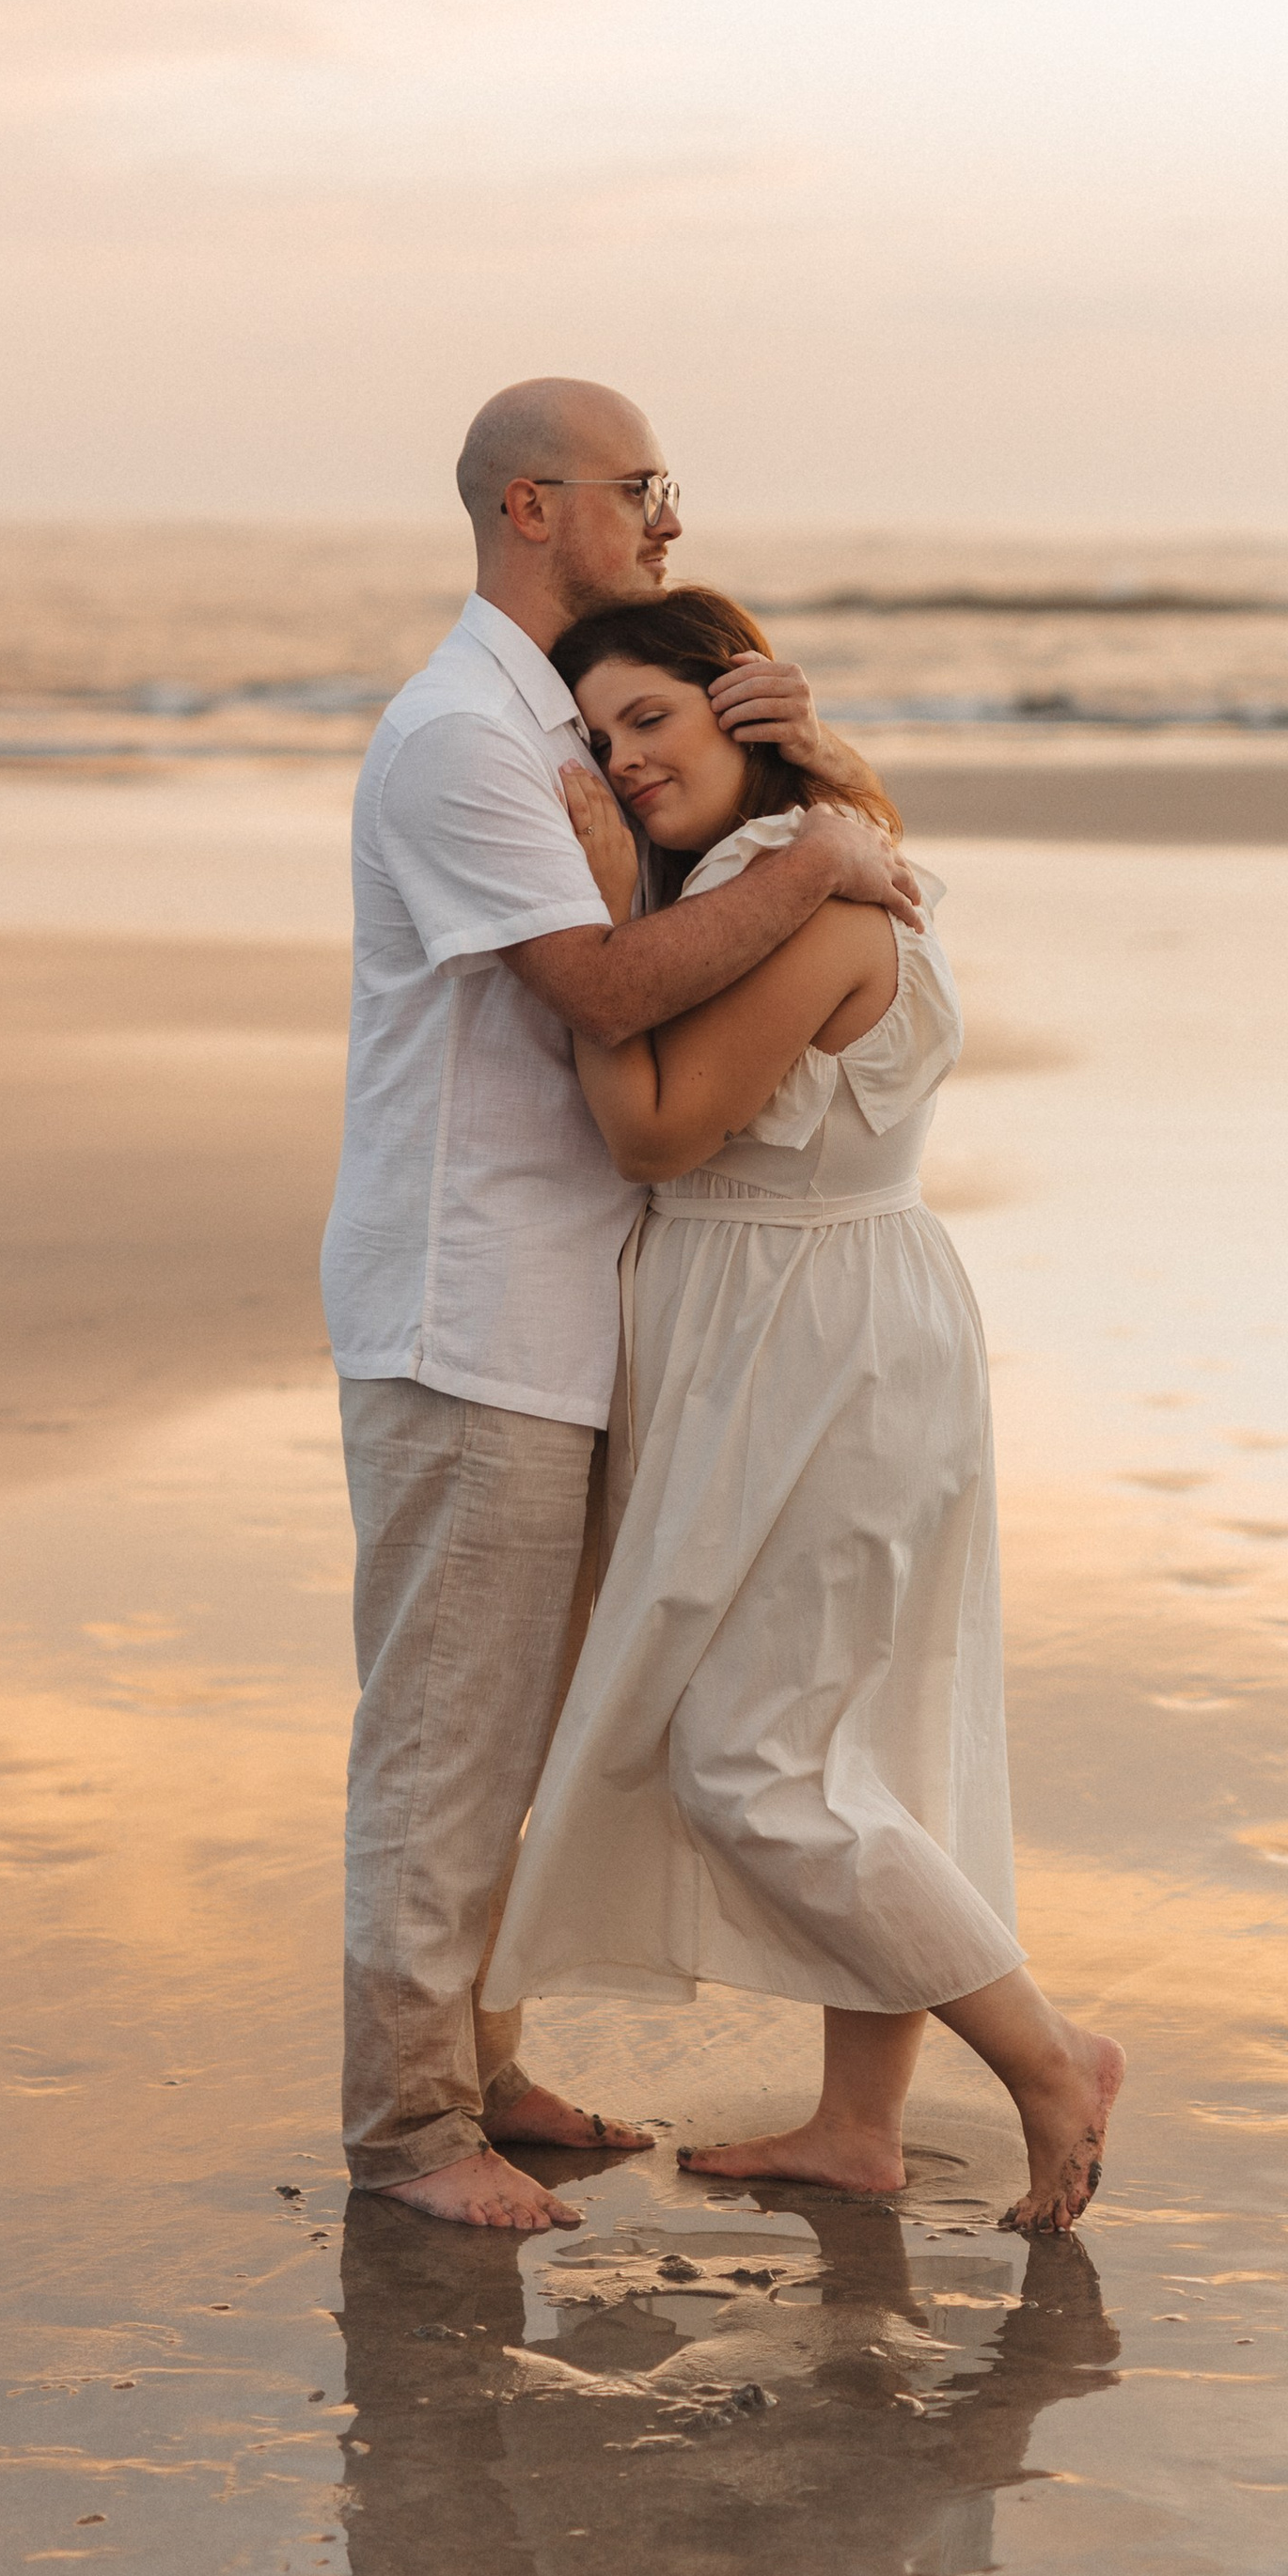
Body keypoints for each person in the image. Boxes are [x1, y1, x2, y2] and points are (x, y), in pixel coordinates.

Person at [322, 379, 923, 2235]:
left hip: (572, 1311)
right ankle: (409, 2128)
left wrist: (791, 755)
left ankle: (484, 2074)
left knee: (523, 1726)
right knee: (447, 1733)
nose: (668, 520)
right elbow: (600, 990)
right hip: (469, 1304)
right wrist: (820, 863)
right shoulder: (457, 743)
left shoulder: (558, 718)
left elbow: (688, 935)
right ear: (530, 505)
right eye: (637, 490)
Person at [483, 585, 1123, 2234]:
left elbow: (654, 1130)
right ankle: (860, 2127)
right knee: (863, 1735)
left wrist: (603, 912)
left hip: (813, 1342)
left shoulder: (801, 891)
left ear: (739, 715)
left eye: (654, 722)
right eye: (597, 739)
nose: (624, 764)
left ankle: (1050, 2059)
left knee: (753, 1759)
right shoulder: (793, 862)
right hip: (810, 1323)